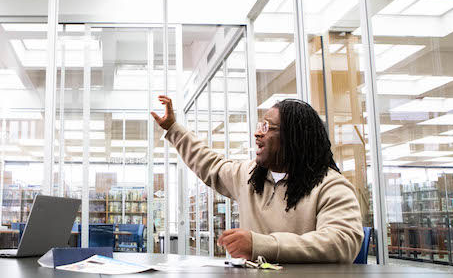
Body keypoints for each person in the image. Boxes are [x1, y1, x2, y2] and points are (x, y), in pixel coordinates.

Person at [151, 95, 363, 263]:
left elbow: (341, 242)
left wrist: (259, 245)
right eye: (259, 126)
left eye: (267, 128)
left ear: (293, 138)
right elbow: (210, 164)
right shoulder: (250, 175)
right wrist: (173, 129)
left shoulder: (331, 186)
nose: (257, 134)